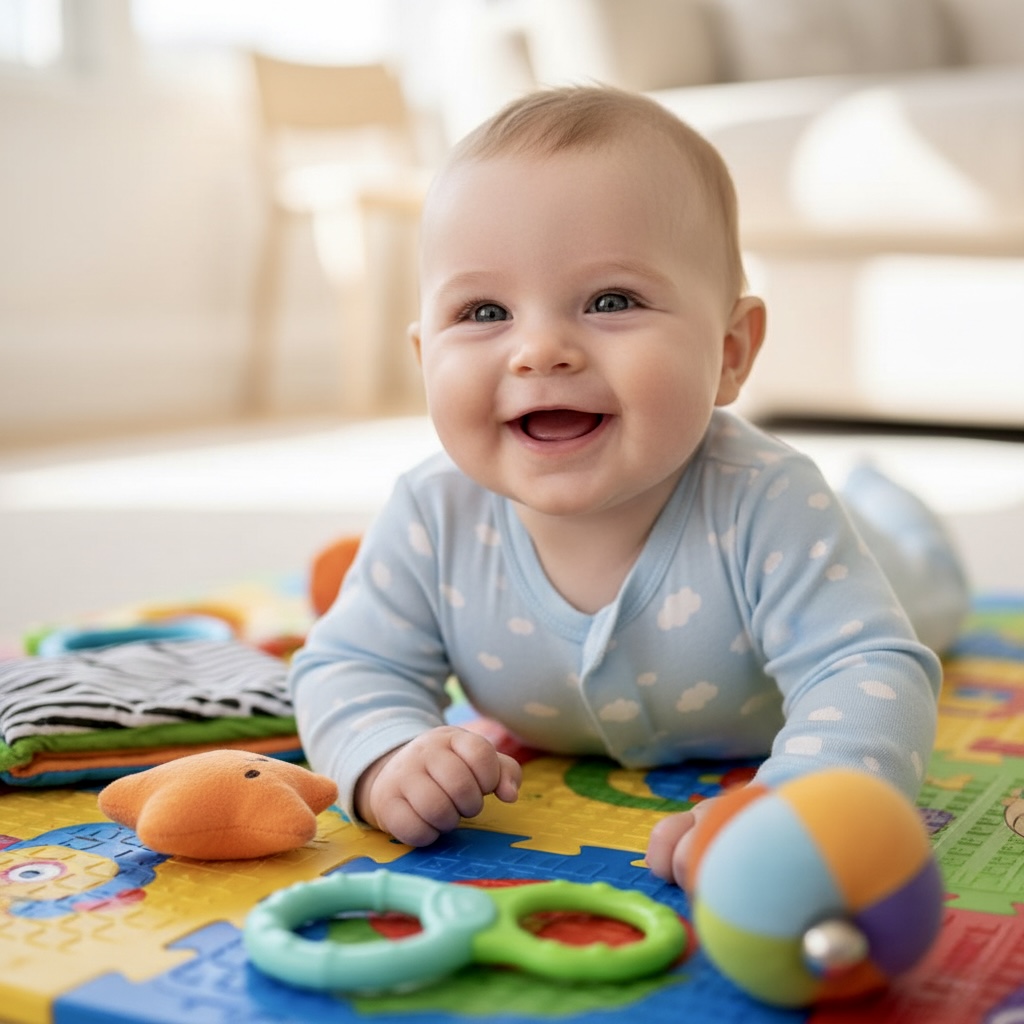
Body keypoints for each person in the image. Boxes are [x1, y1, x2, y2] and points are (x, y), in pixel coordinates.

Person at [289, 85, 969, 888]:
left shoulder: (771, 500)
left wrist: (803, 803)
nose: (540, 350)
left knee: (930, 597)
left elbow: (866, 671)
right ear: (422, 357)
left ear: (729, 353)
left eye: (611, 300)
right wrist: (386, 755)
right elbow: (347, 664)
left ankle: (886, 500)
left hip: (867, 566)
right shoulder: (433, 515)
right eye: (482, 311)